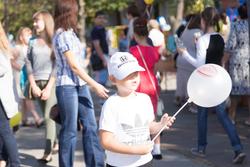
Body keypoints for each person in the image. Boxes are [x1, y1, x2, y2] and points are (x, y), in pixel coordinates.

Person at [177, 7, 246, 164]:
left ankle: (201, 148)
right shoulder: (220, 37)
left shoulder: (202, 40)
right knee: (223, 116)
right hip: (218, 81)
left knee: (202, 114)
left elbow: (200, 65)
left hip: (205, 83)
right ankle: (238, 148)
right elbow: (217, 60)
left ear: (204, 20)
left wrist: (184, 53)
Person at [53, 0, 109, 166]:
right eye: (74, 12)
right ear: (67, 13)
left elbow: (78, 64)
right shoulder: (62, 34)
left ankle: (96, 164)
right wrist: (96, 85)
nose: (76, 15)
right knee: (70, 130)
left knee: (91, 126)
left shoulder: (71, 33)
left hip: (80, 85)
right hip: (67, 86)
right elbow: (74, 66)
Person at [99, 52, 174, 167]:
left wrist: (160, 125)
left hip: (145, 162)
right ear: (113, 79)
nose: (134, 77)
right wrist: (136, 150)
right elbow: (106, 141)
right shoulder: (111, 104)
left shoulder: (144, 99)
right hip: (119, 164)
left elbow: (148, 127)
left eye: (136, 73)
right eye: (128, 74)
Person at [24, 10, 58, 163]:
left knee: (47, 117)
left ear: (46, 21)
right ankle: (55, 142)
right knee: (48, 116)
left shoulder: (54, 40)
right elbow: (28, 63)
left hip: (51, 83)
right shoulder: (31, 41)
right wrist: (33, 85)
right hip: (36, 84)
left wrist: (49, 87)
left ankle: (48, 152)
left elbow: (57, 65)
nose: (34, 24)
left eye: (37, 20)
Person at [129, 17, 163, 159]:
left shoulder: (132, 50)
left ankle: (140, 145)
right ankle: (157, 149)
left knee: (137, 118)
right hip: (152, 85)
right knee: (152, 118)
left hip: (138, 85)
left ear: (135, 35)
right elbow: (155, 69)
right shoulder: (154, 51)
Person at [223, 3, 250, 126]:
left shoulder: (236, 25)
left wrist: (223, 61)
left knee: (235, 92)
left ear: (238, 14)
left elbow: (230, 46)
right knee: (248, 92)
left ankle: (231, 118)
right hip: (248, 62)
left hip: (238, 62)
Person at [11, 27, 43, 127]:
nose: (30, 37)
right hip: (19, 76)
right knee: (25, 97)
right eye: (27, 35)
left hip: (28, 75)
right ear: (21, 37)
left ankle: (22, 119)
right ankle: (37, 118)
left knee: (24, 98)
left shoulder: (31, 46)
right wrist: (19, 67)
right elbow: (11, 60)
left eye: (30, 35)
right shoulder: (18, 48)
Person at [0, 22, 20, 167]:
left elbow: (2, 69)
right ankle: (4, 160)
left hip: (1, 97)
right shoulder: (3, 47)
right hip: (3, 96)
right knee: (3, 131)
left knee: (5, 131)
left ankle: (15, 163)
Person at [175, 14, 202, 113]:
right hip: (192, 60)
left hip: (181, 59)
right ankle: (193, 106)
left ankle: (179, 98)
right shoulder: (199, 33)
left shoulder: (185, 31)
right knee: (192, 84)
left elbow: (179, 43)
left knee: (181, 82)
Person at [90, 11, 109, 86]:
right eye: (99, 18)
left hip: (103, 56)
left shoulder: (102, 29)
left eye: (103, 18)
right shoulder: (95, 30)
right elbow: (97, 46)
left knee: (104, 82)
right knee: (100, 83)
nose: (101, 20)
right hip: (98, 58)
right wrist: (103, 59)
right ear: (95, 19)